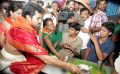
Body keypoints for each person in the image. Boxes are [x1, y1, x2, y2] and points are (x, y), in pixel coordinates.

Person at [3, 2, 81, 74]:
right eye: (38, 18)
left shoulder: (22, 22)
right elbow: (45, 59)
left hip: (19, 55)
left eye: (41, 18)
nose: (40, 21)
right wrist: (68, 66)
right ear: (28, 17)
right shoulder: (22, 32)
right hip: (11, 61)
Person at [0, 1, 25, 73]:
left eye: (21, 14)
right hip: (8, 58)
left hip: (21, 56)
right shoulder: (3, 26)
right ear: (11, 12)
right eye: (18, 13)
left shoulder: (21, 24)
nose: (20, 16)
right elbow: (2, 44)